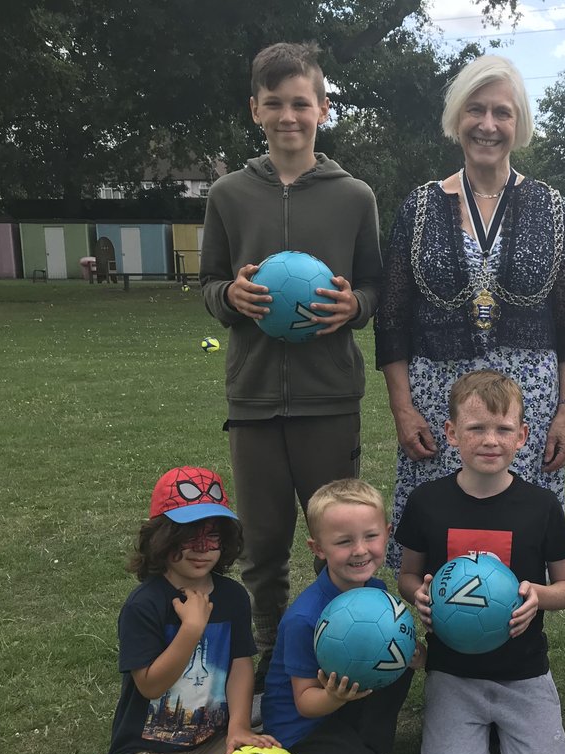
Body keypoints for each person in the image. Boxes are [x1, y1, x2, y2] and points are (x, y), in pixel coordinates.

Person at [200, 42, 384, 687]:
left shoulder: (353, 196)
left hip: (329, 398)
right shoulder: (227, 195)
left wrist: (350, 307)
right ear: (255, 109)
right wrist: (230, 296)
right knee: (265, 544)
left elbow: (375, 286)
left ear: (322, 109)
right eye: (274, 103)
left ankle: (346, 654)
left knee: (340, 543)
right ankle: (275, 661)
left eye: (300, 103)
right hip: (252, 399)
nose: (288, 115)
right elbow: (208, 284)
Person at [375, 54, 565, 571]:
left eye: (502, 112)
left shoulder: (551, 207)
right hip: (437, 398)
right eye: (476, 110)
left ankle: (517, 629)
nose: (488, 125)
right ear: (457, 118)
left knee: (518, 520)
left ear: (519, 124)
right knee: (436, 517)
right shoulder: (420, 206)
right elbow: (392, 320)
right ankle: (433, 631)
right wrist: (403, 409)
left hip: (528, 403)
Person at [395, 370, 565, 754]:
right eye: (476, 428)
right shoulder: (426, 502)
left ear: (523, 436)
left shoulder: (540, 507)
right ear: (452, 433)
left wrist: (539, 594)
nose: (490, 440)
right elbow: (408, 575)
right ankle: (479, 736)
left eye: (503, 429)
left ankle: (517, 736)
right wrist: (418, 593)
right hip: (453, 673)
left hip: (523, 674)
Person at [83, 466, 278, 754]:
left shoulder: (233, 597)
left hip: (211, 737)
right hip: (147, 748)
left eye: (213, 536)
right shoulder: (144, 606)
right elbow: (150, 687)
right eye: (189, 538)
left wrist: (238, 726)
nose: (203, 549)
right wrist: (190, 630)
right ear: (162, 539)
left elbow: (239, 665)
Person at [259, 478, 423, 754]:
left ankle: (368, 748)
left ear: (388, 532)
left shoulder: (374, 593)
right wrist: (334, 697)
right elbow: (304, 703)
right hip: (302, 731)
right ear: (318, 548)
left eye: (371, 536)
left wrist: (414, 652)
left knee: (398, 659)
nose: (361, 550)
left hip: (341, 710)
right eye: (344, 541)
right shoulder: (305, 619)